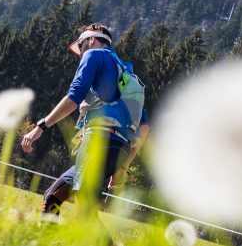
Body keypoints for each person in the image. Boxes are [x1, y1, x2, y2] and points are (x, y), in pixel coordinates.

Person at [20, 23, 147, 216]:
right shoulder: (127, 75)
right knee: (52, 197)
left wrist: (41, 127)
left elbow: (74, 97)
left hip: (98, 140)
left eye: (81, 46)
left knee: (85, 216)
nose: (80, 53)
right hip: (119, 148)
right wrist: (122, 165)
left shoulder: (93, 55)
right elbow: (144, 128)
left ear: (92, 39)